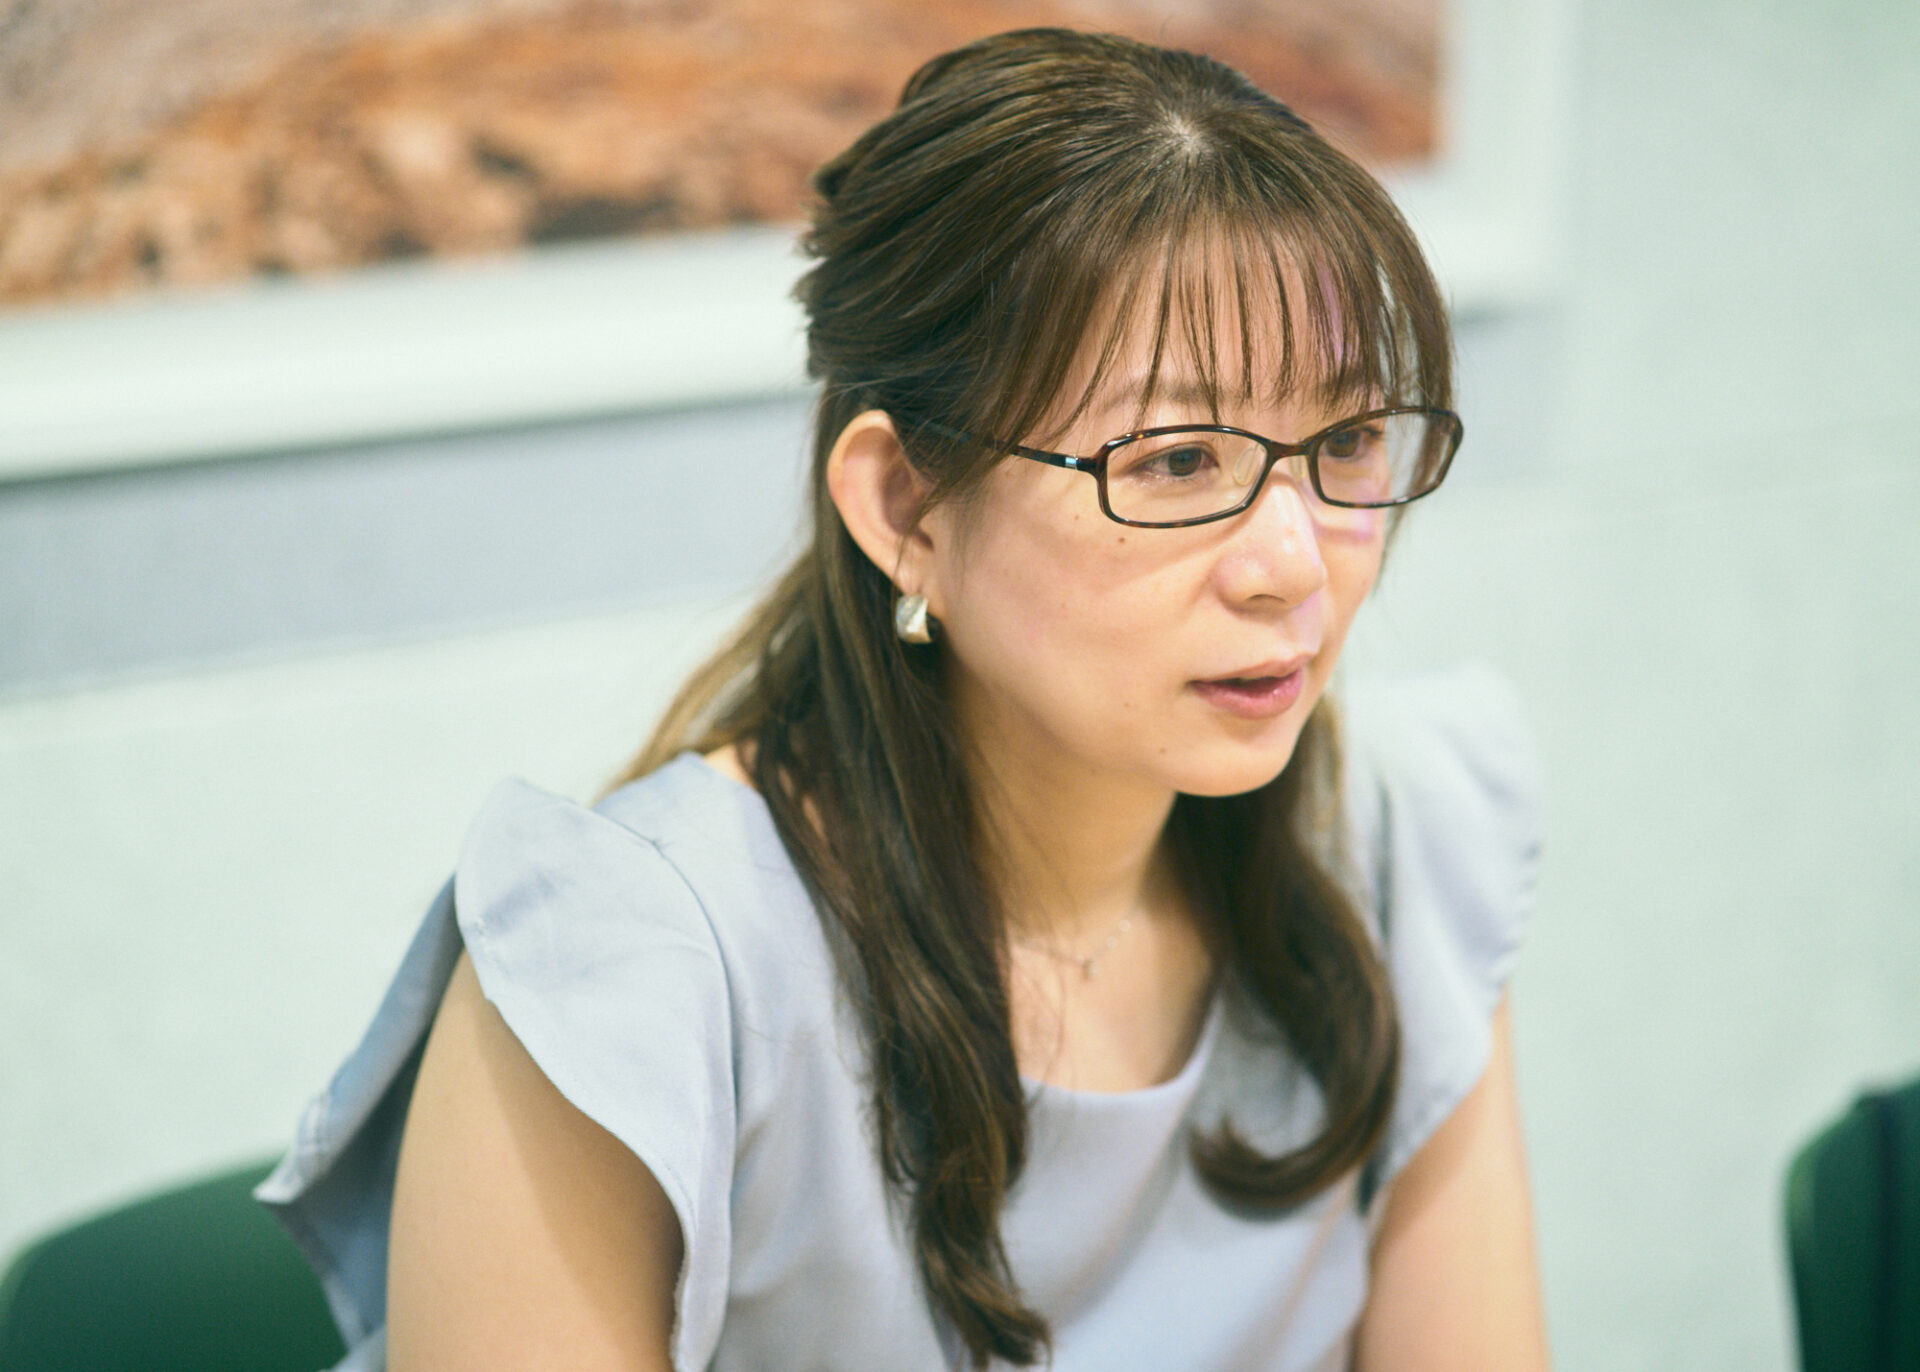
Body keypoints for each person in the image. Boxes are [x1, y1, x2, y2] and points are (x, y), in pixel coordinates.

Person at [260, 27, 1550, 1372]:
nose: (1293, 564)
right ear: (904, 507)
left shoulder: (1395, 838)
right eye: (1177, 461)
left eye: (1348, 440)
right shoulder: (635, 972)